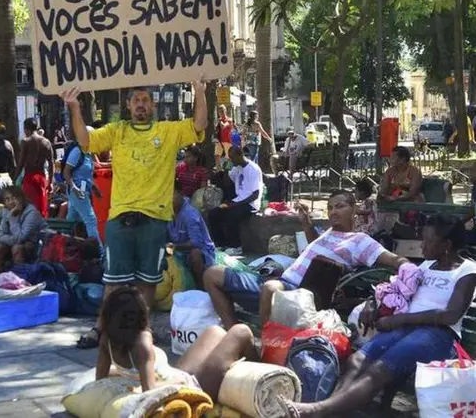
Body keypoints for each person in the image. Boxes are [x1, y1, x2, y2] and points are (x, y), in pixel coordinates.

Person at [281, 214, 476, 418]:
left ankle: (317, 410)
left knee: (380, 369)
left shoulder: (466, 271)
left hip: (437, 335)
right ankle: (328, 410)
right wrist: (373, 303)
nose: (422, 246)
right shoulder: (427, 265)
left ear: (447, 244)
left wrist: (400, 320)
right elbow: (396, 290)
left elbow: (450, 316)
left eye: (428, 241)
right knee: (356, 361)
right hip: (405, 328)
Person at [60, 79, 207, 349]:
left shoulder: (168, 131)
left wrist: (199, 91)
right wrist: (74, 106)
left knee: (148, 282)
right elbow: (85, 140)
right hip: (120, 219)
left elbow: (198, 126)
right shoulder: (117, 131)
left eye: (145, 100)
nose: (141, 104)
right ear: (127, 105)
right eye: (136, 100)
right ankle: (100, 328)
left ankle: (143, 328)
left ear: (153, 105)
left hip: (155, 220)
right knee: (113, 282)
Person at [204, 190, 408, 328]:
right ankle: (235, 332)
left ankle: (269, 346)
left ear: (354, 210)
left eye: (340, 206)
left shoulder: (360, 241)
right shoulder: (329, 233)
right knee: (212, 274)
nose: (333, 212)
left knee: (270, 289)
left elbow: (392, 259)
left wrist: (408, 266)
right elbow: (317, 246)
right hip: (278, 283)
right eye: (330, 207)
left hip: (300, 295)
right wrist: (306, 224)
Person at [95, 286, 195, 392]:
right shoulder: (112, 340)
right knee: (213, 331)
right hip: (150, 376)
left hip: (152, 375)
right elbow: (148, 389)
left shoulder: (112, 339)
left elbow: (149, 391)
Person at [207, 146, 263, 251]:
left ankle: (236, 246)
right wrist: (226, 170)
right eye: (230, 157)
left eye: (233, 158)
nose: (231, 160)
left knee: (231, 215)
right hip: (237, 200)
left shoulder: (253, 169)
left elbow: (255, 195)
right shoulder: (237, 168)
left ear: (240, 155)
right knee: (214, 213)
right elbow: (227, 182)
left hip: (251, 203)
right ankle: (221, 243)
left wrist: (235, 205)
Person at [169, 182, 216, 289]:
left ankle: (201, 287)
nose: (169, 198)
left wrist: (175, 247)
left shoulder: (190, 214)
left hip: (200, 250)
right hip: (177, 250)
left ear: (180, 193)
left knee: (195, 255)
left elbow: (196, 242)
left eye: (172, 194)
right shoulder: (166, 210)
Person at [0, 186, 46, 274]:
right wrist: (13, 240)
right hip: (16, 242)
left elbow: (21, 237)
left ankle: (19, 279)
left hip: (34, 246)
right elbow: (0, 235)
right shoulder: (6, 211)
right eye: (7, 199)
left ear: (21, 198)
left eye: (14, 198)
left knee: (17, 248)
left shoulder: (32, 212)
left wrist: (12, 218)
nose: (11, 202)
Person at [64, 130, 101, 243]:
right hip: (78, 191)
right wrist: (74, 187)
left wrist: (94, 188)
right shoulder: (77, 152)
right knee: (91, 220)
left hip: (84, 190)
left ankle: (61, 245)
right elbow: (66, 172)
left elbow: (86, 175)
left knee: (71, 221)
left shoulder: (88, 154)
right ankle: (99, 253)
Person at [16, 118, 54, 218]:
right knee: (41, 208)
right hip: (41, 178)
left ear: (26, 129)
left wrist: (14, 179)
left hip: (29, 177)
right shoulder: (46, 142)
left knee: (28, 209)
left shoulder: (25, 141)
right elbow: (51, 163)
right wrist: (50, 181)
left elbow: (21, 163)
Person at [214, 105, 233, 170]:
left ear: (225, 111)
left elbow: (223, 126)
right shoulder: (218, 120)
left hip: (228, 141)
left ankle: (228, 171)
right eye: (220, 112)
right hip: (219, 141)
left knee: (229, 158)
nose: (221, 113)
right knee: (217, 155)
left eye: (222, 111)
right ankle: (218, 170)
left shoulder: (229, 119)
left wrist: (220, 121)